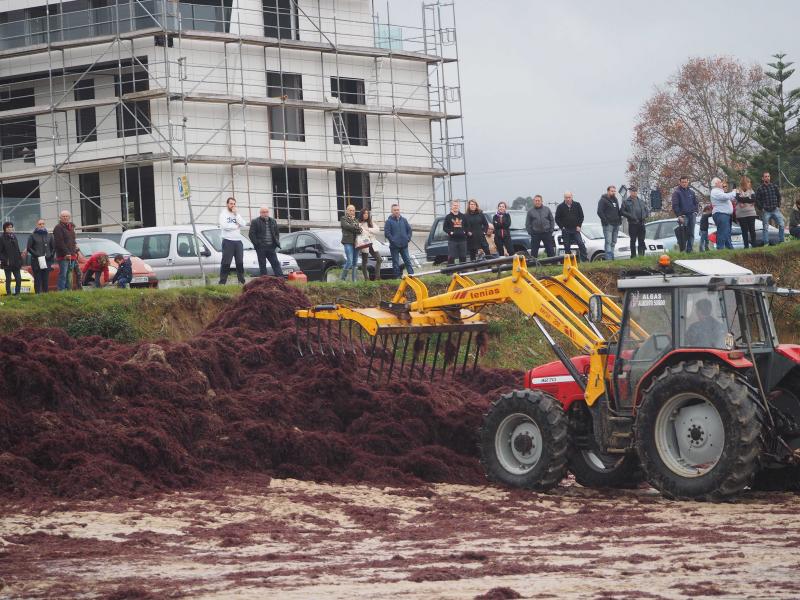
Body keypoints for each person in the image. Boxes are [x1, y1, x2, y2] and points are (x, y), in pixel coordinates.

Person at [218, 196, 246, 285]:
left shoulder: (236, 214)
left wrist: (236, 214)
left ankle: (241, 282)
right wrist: (236, 226)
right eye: (231, 204)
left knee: (240, 262)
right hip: (228, 241)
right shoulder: (223, 214)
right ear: (227, 204)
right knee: (226, 263)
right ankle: (222, 283)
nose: (233, 205)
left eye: (234, 204)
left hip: (238, 241)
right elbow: (224, 226)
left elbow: (243, 223)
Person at [248, 206, 283, 277]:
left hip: (271, 247)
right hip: (261, 248)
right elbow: (251, 234)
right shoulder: (255, 221)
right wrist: (258, 244)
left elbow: (277, 233)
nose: (265, 213)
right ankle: (264, 282)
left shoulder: (273, 221)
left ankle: (281, 280)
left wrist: (275, 243)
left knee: (275, 263)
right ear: (260, 213)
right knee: (262, 265)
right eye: (263, 212)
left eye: (266, 212)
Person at [383, 204, 414, 278]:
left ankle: (412, 276)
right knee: (396, 262)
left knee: (407, 261)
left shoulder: (404, 220)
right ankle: (397, 278)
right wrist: (393, 241)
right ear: (391, 211)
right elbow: (387, 233)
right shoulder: (388, 221)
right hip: (394, 246)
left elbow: (409, 230)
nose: (397, 211)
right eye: (395, 210)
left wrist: (408, 238)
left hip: (404, 245)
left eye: (398, 210)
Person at [555, 191, 587, 261]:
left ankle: (584, 259)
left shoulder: (577, 205)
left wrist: (579, 225)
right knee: (566, 246)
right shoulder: (560, 207)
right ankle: (569, 261)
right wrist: (562, 227)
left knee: (580, 243)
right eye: (566, 197)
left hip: (575, 229)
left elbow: (581, 216)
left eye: (569, 197)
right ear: (564, 198)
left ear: (572, 197)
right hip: (566, 230)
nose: (568, 199)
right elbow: (557, 218)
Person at [53, 210, 81, 291]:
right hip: (63, 256)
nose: (65, 218)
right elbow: (59, 242)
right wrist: (67, 253)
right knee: (63, 274)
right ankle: (61, 290)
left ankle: (68, 290)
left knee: (70, 274)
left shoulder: (71, 227)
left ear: (69, 217)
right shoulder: (58, 227)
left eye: (67, 216)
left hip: (72, 255)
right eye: (63, 216)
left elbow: (73, 240)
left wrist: (75, 247)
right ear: (60, 218)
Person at [755, 171, 785, 246]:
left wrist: (778, 205)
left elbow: (779, 196)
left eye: (768, 176)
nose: (767, 178)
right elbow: (757, 200)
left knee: (781, 225)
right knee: (765, 228)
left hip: (775, 209)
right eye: (765, 176)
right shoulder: (760, 189)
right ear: (763, 178)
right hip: (766, 211)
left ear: (770, 177)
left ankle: (782, 241)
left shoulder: (774, 186)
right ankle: (766, 243)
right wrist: (761, 208)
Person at [26, 218, 55, 294]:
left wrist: (51, 255)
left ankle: (46, 294)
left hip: (47, 260)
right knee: (38, 278)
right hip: (36, 260)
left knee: (45, 278)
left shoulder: (49, 235)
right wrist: (37, 255)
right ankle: (37, 294)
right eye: (40, 224)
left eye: (43, 224)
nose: (42, 225)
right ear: (37, 225)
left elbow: (53, 247)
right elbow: (29, 248)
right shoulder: (32, 236)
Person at [670, 176, 699, 252]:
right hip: (684, 216)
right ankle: (683, 250)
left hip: (692, 215)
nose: (684, 183)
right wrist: (679, 216)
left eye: (685, 182)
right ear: (679, 182)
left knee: (691, 233)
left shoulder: (691, 192)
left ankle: (690, 250)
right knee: (684, 234)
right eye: (682, 182)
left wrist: (695, 212)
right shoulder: (676, 193)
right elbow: (675, 205)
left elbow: (696, 203)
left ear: (688, 182)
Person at [621, 185, 649, 257]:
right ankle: (633, 256)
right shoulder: (626, 202)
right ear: (630, 192)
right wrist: (631, 216)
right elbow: (622, 212)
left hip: (641, 223)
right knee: (633, 240)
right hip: (633, 224)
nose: (634, 193)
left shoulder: (641, 201)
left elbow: (646, 210)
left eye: (635, 191)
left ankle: (641, 256)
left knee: (641, 240)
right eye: (633, 191)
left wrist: (645, 215)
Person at [710, 177, 737, 250]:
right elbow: (725, 197)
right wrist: (734, 192)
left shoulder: (719, 191)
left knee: (726, 232)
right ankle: (720, 248)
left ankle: (729, 248)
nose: (722, 183)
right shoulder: (715, 191)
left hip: (724, 215)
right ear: (716, 184)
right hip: (721, 214)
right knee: (722, 232)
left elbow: (729, 198)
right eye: (720, 182)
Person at [525, 194, 555, 259]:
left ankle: (553, 263)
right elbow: (527, 224)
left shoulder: (547, 209)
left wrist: (551, 230)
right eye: (536, 201)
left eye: (539, 200)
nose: (537, 202)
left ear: (542, 201)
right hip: (535, 234)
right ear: (534, 201)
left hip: (546, 233)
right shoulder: (530, 211)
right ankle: (533, 264)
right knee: (534, 251)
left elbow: (552, 220)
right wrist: (531, 233)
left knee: (550, 250)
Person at [597, 185, 622, 260]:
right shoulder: (603, 200)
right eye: (612, 191)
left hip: (616, 224)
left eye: (614, 191)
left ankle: (612, 257)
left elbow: (617, 211)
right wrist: (606, 221)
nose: (613, 192)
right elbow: (599, 212)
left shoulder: (615, 200)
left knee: (613, 241)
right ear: (608, 191)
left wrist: (619, 220)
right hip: (608, 225)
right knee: (608, 241)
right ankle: (608, 259)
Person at [357, 208, 382, 280]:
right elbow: (362, 232)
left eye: (367, 213)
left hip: (372, 243)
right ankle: (366, 279)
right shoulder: (359, 223)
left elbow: (377, 230)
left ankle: (377, 278)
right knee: (365, 261)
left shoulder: (371, 222)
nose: (366, 215)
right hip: (364, 243)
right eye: (364, 213)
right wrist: (369, 232)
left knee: (379, 259)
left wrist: (369, 230)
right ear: (362, 214)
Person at [339, 204, 362, 282]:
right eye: (350, 210)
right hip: (347, 242)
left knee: (355, 262)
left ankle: (354, 280)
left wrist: (355, 227)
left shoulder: (356, 220)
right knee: (350, 261)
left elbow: (359, 230)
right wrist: (355, 227)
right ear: (347, 211)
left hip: (356, 243)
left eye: (353, 210)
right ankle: (342, 279)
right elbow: (346, 226)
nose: (352, 212)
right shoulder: (343, 218)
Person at [0, 222, 23, 296]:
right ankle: (9, 294)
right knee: (8, 279)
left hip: (16, 262)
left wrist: (20, 260)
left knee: (18, 279)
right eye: (8, 227)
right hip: (8, 262)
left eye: (11, 227)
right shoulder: (2, 238)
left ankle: (17, 294)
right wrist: (5, 260)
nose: (10, 228)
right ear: (5, 229)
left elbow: (17, 249)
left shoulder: (14, 237)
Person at [734, 176, 758, 249]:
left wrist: (743, 200)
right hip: (741, 214)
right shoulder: (738, 190)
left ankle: (754, 245)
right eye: (748, 182)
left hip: (751, 213)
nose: (750, 183)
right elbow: (738, 198)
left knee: (752, 229)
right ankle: (746, 246)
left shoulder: (751, 191)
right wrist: (748, 199)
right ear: (745, 183)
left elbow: (753, 199)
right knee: (744, 230)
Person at [443, 200, 467, 265]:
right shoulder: (448, 217)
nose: (456, 206)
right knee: (452, 256)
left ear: (459, 206)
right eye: (454, 205)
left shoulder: (463, 216)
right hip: (452, 240)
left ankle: (463, 271)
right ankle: (450, 271)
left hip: (462, 239)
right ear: (451, 206)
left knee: (463, 256)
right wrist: (450, 232)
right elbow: (444, 228)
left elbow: (467, 226)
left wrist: (464, 231)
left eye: (457, 205)